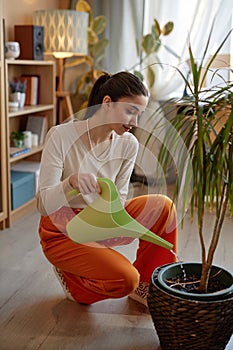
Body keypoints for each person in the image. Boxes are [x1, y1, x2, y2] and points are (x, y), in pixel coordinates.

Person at [37, 71, 177, 307]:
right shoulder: (60, 136)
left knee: (163, 206)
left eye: (139, 115)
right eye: (131, 112)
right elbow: (43, 205)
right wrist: (69, 182)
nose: (135, 123)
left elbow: (120, 200)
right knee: (125, 279)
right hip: (62, 229)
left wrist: (111, 214)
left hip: (102, 220)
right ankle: (74, 284)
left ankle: (146, 286)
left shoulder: (128, 144)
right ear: (107, 103)